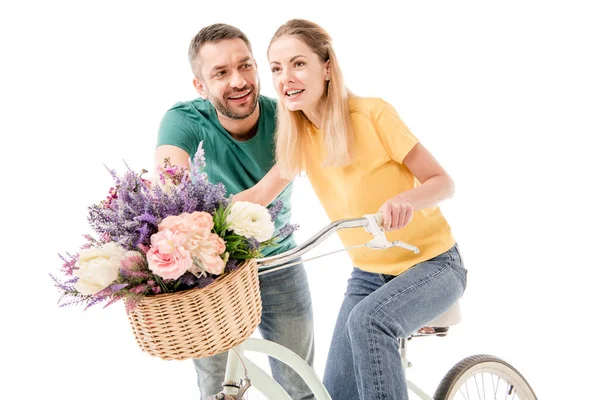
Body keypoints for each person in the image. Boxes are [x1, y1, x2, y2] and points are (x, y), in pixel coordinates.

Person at [246, 19, 468, 400]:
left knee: (369, 321)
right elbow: (257, 196)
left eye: (298, 64)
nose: (286, 78)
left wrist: (405, 200)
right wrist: (190, 227)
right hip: (369, 274)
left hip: (434, 265)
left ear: (327, 67)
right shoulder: (299, 137)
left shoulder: (372, 115)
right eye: (277, 69)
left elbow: (442, 182)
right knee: (337, 393)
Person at [154, 23, 315, 400]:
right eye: (221, 73)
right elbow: (169, 198)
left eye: (245, 66)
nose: (239, 80)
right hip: (214, 271)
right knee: (217, 390)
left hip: (279, 260)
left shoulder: (289, 118)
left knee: (300, 386)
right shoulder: (184, 120)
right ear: (200, 86)